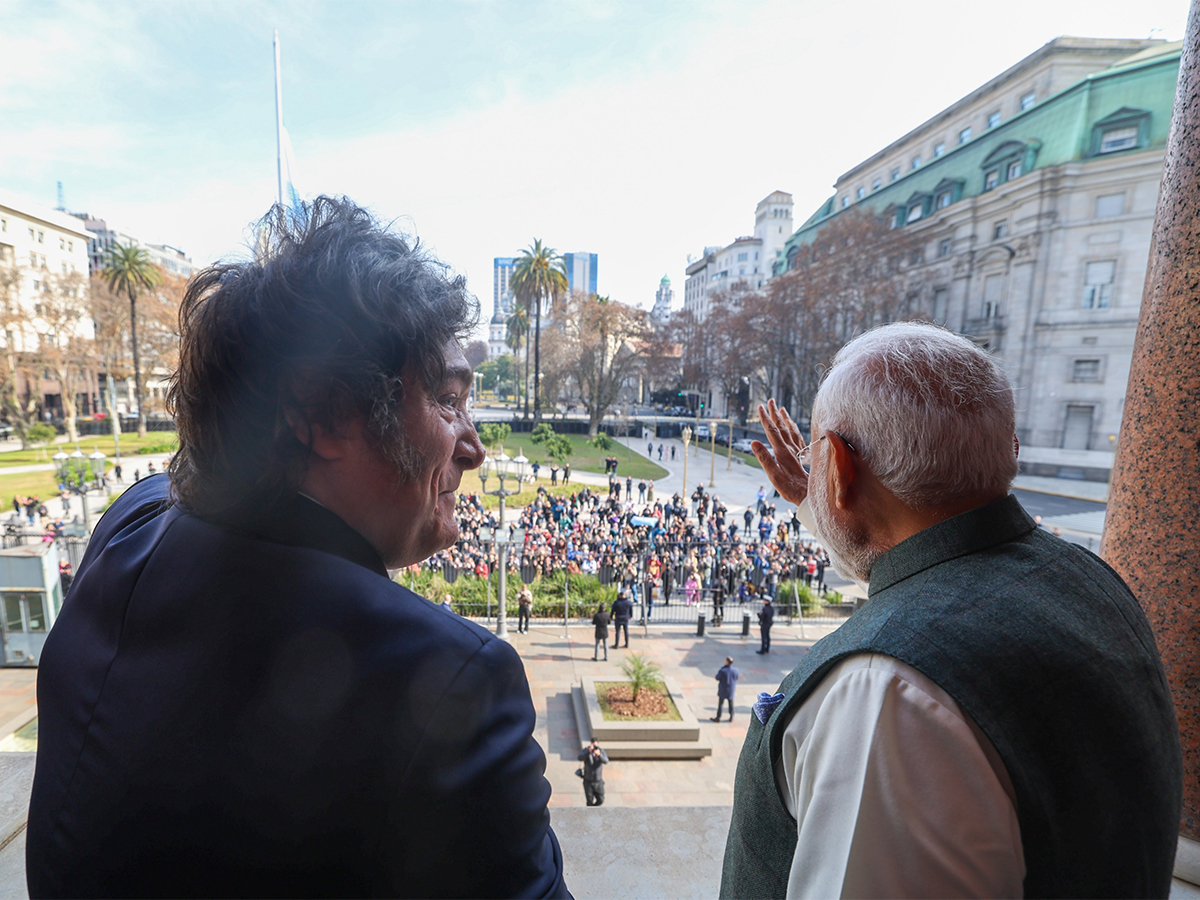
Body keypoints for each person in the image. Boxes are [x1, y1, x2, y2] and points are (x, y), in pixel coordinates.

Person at [27, 198, 569, 899]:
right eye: (445, 398)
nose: (474, 445)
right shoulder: (450, 680)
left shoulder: (128, 525)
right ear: (318, 413)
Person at [721, 323, 1181, 899]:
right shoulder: (1094, 581)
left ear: (836, 465)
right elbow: (925, 568)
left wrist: (838, 500)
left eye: (820, 459)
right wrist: (827, 506)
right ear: (1008, 449)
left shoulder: (885, 695)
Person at [577, 739, 608, 807]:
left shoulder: (601, 751)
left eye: (596, 745)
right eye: (593, 745)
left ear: (598, 745)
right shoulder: (587, 750)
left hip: (598, 781)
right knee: (589, 801)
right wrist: (588, 752)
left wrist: (599, 755)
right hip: (588, 781)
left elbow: (606, 761)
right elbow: (579, 757)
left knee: (601, 799)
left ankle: (595, 807)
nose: (594, 747)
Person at [712, 657, 738, 722]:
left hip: (723, 689)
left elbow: (717, 677)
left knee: (720, 704)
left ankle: (718, 717)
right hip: (731, 689)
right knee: (731, 703)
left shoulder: (723, 670)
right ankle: (731, 717)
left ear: (727, 662)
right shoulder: (735, 670)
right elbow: (736, 678)